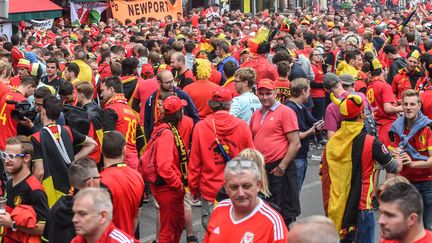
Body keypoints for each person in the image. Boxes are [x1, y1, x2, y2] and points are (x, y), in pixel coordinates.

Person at [321, 93, 402, 242]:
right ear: (362, 114)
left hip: (338, 206)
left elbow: (325, 176)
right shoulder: (371, 142)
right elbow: (394, 167)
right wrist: (398, 156)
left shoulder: (332, 143)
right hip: (362, 207)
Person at [188, 86, 254, 229]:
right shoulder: (242, 126)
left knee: (215, 233)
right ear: (230, 104)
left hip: (211, 190)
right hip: (238, 189)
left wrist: (193, 189)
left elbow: (194, 163)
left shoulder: (201, 127)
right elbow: (251, 160)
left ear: (211, 104)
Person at [250, 78, 301, 226]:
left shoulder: (286, 112)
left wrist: (282, 167)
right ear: (257, 94)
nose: (265, 97)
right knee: (265, 210)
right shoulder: (257, 114)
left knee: (281, 213)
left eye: (268, 93)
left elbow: (295, 143)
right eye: (262, 93)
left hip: (278, 168)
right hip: (262, 169)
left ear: (275, 93)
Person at [31, 96, 97, 207]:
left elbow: (39, 172)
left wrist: (33, 193)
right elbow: (92, 144)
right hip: (70, 188)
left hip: (50, 191)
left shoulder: (36, 137)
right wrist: (73, 160)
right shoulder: (67, 130)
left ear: (43, 111)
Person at [204, 158, 288, 242]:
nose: (240, 193)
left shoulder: (273, 222)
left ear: (258, 185)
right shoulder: (219, 209)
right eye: (234, 187)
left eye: (246, 186)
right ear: (226, 188)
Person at [144, 96, 187, 243]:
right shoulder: (167, 133)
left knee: (178, 223)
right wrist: (178, 185)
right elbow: (164, 167)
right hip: (169, 189)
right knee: (168, 231)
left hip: (169, 188)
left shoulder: (164, 128)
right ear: (177, 113)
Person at [388, 89, 432, 229]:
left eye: (412, 104)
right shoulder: (395, 128)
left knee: (428, 227)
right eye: (405, 104)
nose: (408, 107)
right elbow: (395, 159)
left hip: (427, 183)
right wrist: (396, 158)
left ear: (419, 105)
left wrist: (412, 164)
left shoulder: (429, 127)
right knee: (407, 227)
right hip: (405, 183)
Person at [0, 136, 49, 242]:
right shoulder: (9, 183)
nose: (6, 160)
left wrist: (12, 224)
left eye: (12, 156)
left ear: (26, 158)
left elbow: (44, 227)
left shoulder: (35, 189)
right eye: (4, 155)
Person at [42, 158, 100, 243]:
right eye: (98, 177)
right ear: (91, 182)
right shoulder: (91, 213)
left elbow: (44, 240)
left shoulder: (55, 208)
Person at [100, 131, 144, 237]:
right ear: (124, 150)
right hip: (128, 237)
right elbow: (136, 216)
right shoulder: (138, 177)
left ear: (101, 150)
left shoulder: (101, 181)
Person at [285, 78, 324, 194]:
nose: (309, 94)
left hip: (302, 155)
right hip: (295, 158)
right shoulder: (290, 109)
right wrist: (311, 132)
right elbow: (294, 136)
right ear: (303, 91)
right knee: (293, 194)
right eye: (309, 91)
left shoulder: (301, 107)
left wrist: (319, 124)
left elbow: (312, 121)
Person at [100, 76, 144, 170]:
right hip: (134, 162)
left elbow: (108, 140)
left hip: (119, 162)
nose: (101, 94)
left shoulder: (111, 110)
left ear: (111, 90)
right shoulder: (131, 111)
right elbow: (141, 140)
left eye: (103, 90)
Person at [144, 69, 199, 141]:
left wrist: (191, 138)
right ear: (159, 82)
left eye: (172, 81)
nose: (171, 84)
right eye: (167, 82)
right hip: (159, 138)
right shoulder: (151, 99)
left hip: (181, 139)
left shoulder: (182, 95)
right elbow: (147, 123)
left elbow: (194, 116)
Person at [71, 188, 138, 243]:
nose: (74, 219)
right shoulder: (78, 240)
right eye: (74, 213)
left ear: (103, 216)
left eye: (82, 214)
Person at [0, 75, 38, 151]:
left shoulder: (7, 94)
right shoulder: (22, 101)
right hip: (9, 142)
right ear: (30, 86)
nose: (32, 94)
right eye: (34, 90)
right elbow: (23, 126)